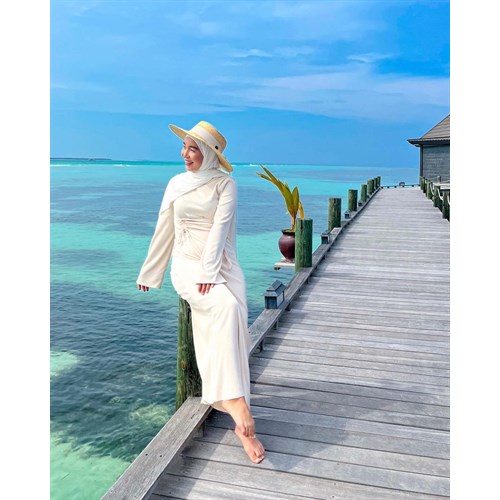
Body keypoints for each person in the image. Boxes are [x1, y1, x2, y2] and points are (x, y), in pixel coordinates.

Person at [136, 120, 265, 464]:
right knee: (225, 308)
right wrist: (151, 271)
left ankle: (232, 399)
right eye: (184, 147)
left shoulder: (226, 184)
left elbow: (220, 230)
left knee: (233, 312)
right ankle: (236, 404)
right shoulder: (176, 184)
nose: (185, 154)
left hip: (220, 265)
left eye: (193, 149)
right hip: (186, 266)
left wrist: (210, 271)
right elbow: (165, 228)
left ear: (208, 154)